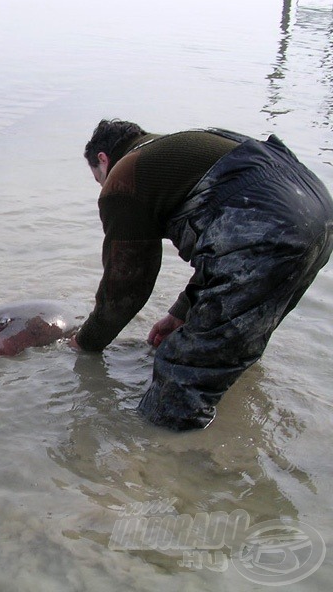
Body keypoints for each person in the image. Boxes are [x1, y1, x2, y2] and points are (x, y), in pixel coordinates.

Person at [69, 119, 333, 431]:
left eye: (98, 178)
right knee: (231, 349)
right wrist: (183, 311)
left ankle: (174, 462)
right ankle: (233, 437)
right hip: (319, 217)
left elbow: (127, 286)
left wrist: (86, 343)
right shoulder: (183, 146)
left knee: (181, 374)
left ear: (103, 159)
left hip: (268, 230)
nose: (102, 186)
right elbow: (225, 246)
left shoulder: (124, 177)